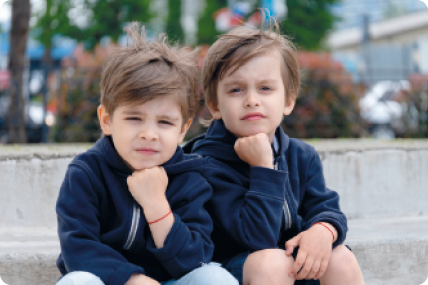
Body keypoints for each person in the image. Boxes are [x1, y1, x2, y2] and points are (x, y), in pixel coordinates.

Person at [55, 23, 238, 285]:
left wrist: (156, 205)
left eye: (164, 123)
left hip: (170, 280)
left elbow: (195, 258)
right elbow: (78, 249)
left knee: (216, 278)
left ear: (182, 129)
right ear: (107, 120)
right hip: (108, 281)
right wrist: (133, 279)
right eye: (134, 118)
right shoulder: (86, 173)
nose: (149, 134)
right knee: (76, 282)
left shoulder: (191, 179)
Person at [184, 22, 365, 285]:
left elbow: (325, 207)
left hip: (291, 261)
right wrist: (263, 169)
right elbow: (257, 238)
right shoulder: (205, 165)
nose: (252, 100)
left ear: (288, 100)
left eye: (265, 88)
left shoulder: (302, 155)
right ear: (215, 105)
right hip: (238, 269)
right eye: (236, 89)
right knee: (273, 264)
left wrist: (323, 230)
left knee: (340, 258)